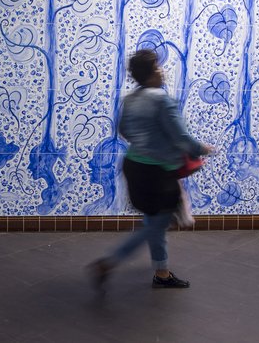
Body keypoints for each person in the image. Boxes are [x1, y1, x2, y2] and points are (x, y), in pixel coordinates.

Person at [88, 49, 213, 290]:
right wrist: (202, 149)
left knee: (154, 219)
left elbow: (124, 130)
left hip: (134, 166)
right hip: (157, 172)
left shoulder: (130, 99)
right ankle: (108, 262)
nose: (161, 70)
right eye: (157, 66)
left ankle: (162, 273)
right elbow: (181, 138)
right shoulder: (162, 100)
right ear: (150, 74)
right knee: (156, 224)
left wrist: (148, 140)